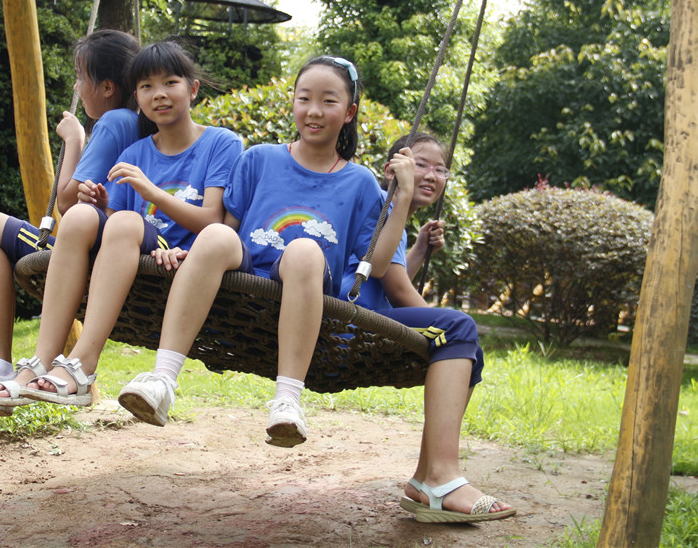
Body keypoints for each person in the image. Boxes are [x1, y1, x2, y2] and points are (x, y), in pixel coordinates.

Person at [115, 55, 411, 447]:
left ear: (350, 111)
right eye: (304, 98)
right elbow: (228, 232)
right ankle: (163, 379)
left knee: (305, 249)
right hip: (246, 285)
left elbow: (374, 264)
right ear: (293, 103)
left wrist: (402, 196)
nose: (314, 111)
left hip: (307, 289)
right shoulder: (259, 159)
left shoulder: (359, 182)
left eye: (329, 101)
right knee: (216, 236)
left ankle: (287, 401)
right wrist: (198, 253)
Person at [0, 39, 243, 407]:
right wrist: (102, 207)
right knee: (80, 215)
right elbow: (112, 229)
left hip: (183, 254)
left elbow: (213, 219)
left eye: (170, 82)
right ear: (135, 96)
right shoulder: (133, 154)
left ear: (193, 88)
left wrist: (150, 192)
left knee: (122, 223)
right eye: (146, 87)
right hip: (137, 253)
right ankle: (41, 361)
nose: (159, 95)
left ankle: (83, 366)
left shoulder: (221, 143)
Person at [0, 29, 142, 415]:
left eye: (80, 76)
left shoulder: (113, 122)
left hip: (87, 250)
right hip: (105, 246)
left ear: (106, 86)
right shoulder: (136, 122)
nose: (76, 85)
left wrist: (74, 138)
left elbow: (68, 202)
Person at [340, 132, 516, 523]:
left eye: (440, 169)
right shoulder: (380, 207)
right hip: (345, 324)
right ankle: (440, 476)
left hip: (365, 317)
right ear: (393, 168)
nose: (432, 175)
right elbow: (400, 293)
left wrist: (418, 249)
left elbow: (384, 282)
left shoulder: (396, 221)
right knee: (459, 331)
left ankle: (425, 476)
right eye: (420, 164)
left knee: (470, 352)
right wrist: (445, 334)